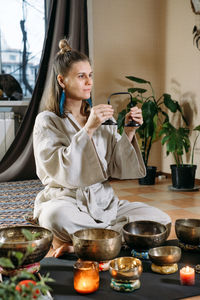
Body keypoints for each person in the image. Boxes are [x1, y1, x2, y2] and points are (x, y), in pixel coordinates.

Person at [33, 38, 171, 258]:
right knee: (54, 217)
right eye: (81, 76)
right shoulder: (47, 120)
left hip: (105, 203)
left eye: (90, 75)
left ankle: (84, 243)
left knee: (161, 219)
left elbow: (116, 167)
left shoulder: (101, 117)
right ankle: (113, 240)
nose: (89, 82)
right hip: (67, 200)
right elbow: (59, 167)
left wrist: (128, 131)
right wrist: (88, 129)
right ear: (62, 80)